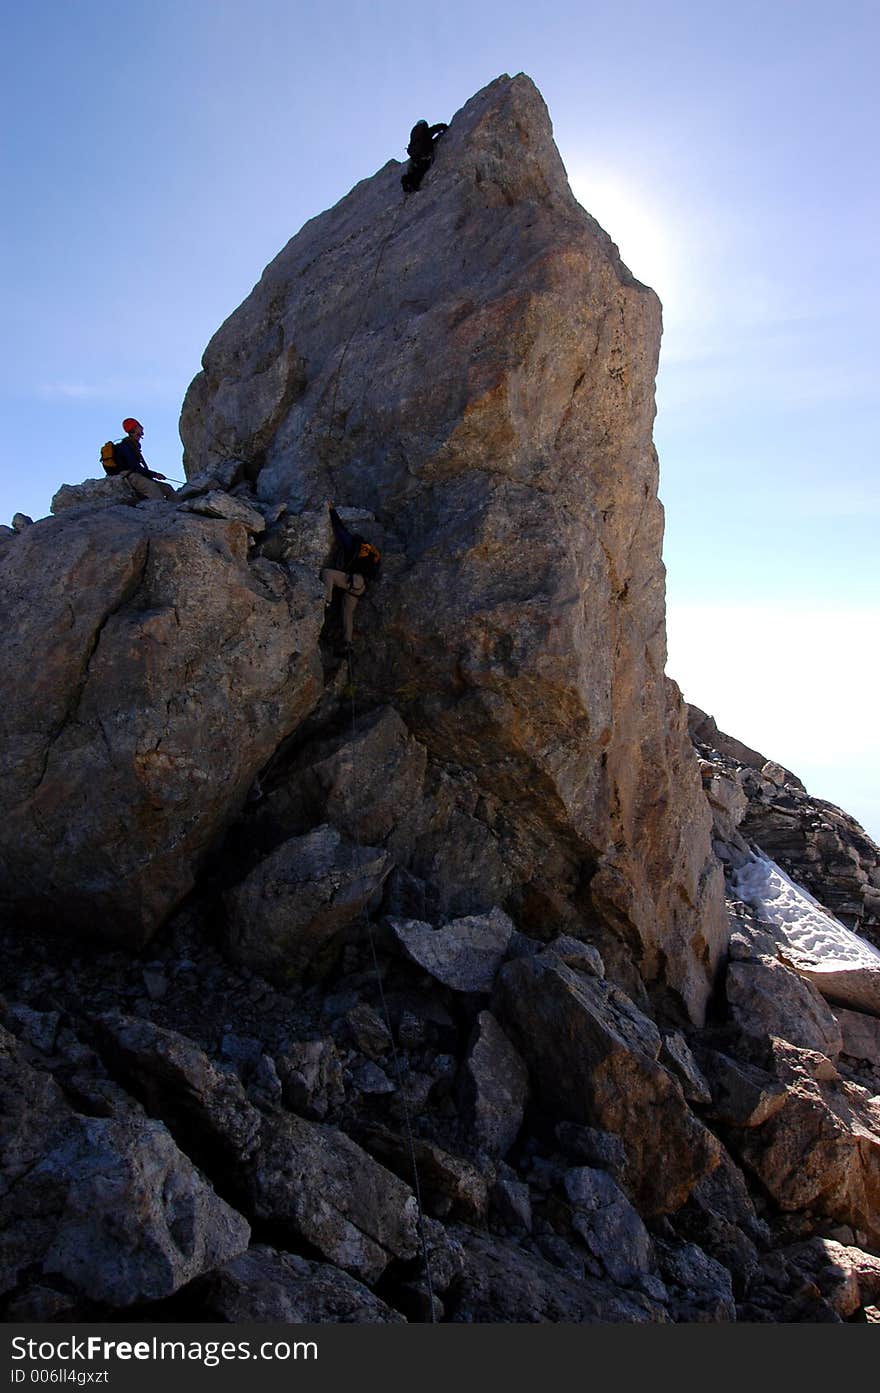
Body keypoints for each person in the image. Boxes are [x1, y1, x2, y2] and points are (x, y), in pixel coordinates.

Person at [320, 502, 381, 648]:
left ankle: (326, 600)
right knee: (347, 613)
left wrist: (332, 510)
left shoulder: (354, 545)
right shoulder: (373, 552)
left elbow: (340, 529)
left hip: (352, 579)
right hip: (361, 586)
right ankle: (348, 642)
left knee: (327, 573)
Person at [112, 419, 176, 500]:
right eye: (139, 427)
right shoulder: (126, 446)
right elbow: (135, 466)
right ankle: (163, 510)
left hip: (137, 474)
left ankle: (179, 508)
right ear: (135, 428)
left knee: (167, 488)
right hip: (131, 475)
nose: (142, 429)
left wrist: (152, 475)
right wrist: (154, 474)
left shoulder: (131, 445)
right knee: (153, 489)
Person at [401, 119, 448, 193]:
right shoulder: (425, 131)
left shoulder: (414, 134)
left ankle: (406, 180)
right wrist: (444, 126)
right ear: (425, 125)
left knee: (414, 170)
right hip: (423, 154)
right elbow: (436, 128)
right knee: (422, 168)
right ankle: (414, 185)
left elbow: (426, 142)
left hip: (414, 156)